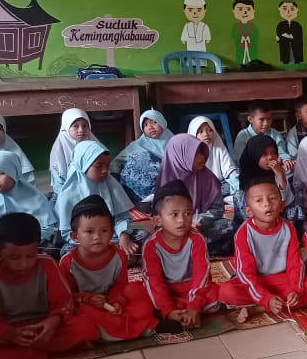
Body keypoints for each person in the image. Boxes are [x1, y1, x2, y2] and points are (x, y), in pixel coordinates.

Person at [0, 212, 96, 359]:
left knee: (85, 326)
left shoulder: (47, 264)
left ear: (38, 248)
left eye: (30, 255)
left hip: (46, 326)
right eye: (14, 257)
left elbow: (64, 301)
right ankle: (38, 354)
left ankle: (30, 354)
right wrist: (9, 334)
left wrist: (53, 321)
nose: (23, 264)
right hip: (12, 333)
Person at [219, 176, 307, 316]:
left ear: (282, 205)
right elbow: (246, 274)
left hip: (283, 279)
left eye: (272, 198)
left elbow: (296, 264)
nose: (267, 204)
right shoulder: (243, 233)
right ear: (249, 211)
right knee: (225, 292)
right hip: (257, 281)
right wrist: (265, 298)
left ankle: (259, 309)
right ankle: (270, 303)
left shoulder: (288, 228)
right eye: (259, 200)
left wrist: (296, 289)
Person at [60, 197, 158, 341]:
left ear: (113, 232)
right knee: (79, 314)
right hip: (87, 305)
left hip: (113, 302)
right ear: (75, 236)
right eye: (89, 231)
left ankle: (110, 331)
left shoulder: (119, 255)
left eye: (104, 230)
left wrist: (117, 301)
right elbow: (66, 297)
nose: (97, 237)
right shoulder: (68, 263)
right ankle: (133, 327)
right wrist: (88, 299)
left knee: (136, 290)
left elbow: (121, 285)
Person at [142, 182, 221, 331]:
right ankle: (175, 315)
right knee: (140, 296)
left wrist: (194, 306)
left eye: (188, 213)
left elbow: (201, 274)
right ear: (158, 220)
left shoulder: (197, 239)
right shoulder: (151, 245)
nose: (181, 220)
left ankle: (186, 314)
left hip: (192, 288)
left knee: (221, 293)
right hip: (167, 292)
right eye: (174, 214)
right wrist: (168, 310)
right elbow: (154, 280)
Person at [0, 150, 57, 264]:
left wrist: (27, 246)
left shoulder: (34, 197)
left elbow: (46, 229)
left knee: (51, 253)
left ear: (14, 172)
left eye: (1, 173)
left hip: (28, 246)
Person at [157, 133, 236, 257]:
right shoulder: (167, 179)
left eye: (202, 152)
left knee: (231, 227)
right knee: (157, 237)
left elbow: (218, 209)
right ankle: (191, 251)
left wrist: (199, 220)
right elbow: (160, 214)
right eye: (196, 154)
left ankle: (188, 252)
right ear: (180, 156)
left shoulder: (208, 177)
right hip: (175, 228)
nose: (202, 157)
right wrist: (183, 223)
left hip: (201, 226)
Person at [56, 141, 137, 255]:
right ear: (83, 164)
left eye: (107, 165)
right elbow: (66, 232)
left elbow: (122, 217)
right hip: (84, 242)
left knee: (143, 237)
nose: (105, 171)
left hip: (111, 236)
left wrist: (123, 236)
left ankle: (108, 257)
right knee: (67, 252)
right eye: (98, 166)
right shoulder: (67, 194)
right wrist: (94, 244)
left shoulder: (111, 184)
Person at [235, 135, 299, 231]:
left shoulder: (276, 171)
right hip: (257, 218)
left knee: (296, 193)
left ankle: (288, 233)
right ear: (254, 155)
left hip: (277, 213)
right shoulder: (247, 177)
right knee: (240, 196)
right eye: (264, 154)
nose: (270, 157)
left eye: (274, 153)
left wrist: (280, 175)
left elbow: (288, 201)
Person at [112, 110, 172, 203]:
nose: (150, 127)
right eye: (146, 125)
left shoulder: (174, 141)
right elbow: (117, 162)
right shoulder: (138, 144)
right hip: (144, 189)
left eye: (154, 122)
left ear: (162, 122)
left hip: (168, 182)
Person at [49, 108, 97, 197]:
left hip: (94, 190)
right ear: (66, 127)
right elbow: (58, 183)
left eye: (85, 126)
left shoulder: (94, 145)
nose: (81, 130)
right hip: (68, 193)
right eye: (75, 126)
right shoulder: (59, 149)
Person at [232, 100, 293, 168]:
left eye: (269, 119)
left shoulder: (275, 134)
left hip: (273, 168)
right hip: (251, 170)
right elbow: (239, 159)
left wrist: (285, 160)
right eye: (261, 119)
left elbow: (282, 153)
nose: (266, 123)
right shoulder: (243, 135)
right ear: (250, 119)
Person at [187, 116, 239, 195]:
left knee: (236, 185)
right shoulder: (190, 151)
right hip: (199, 186)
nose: (206, 134)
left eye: (210, 130)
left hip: (218, 184)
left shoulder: (218, 147)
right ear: (193, 134)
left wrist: (235, 180)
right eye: (201, 131)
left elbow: (228, 168)